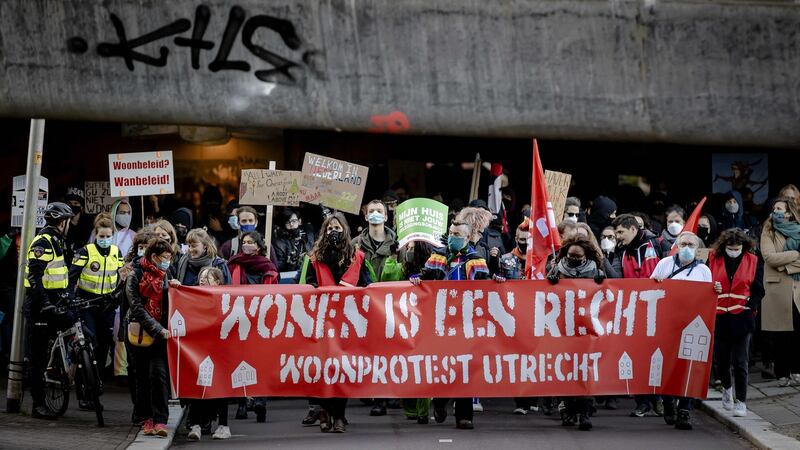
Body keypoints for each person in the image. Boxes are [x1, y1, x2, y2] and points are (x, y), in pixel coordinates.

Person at [410, 220, 498, 430]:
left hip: (467, 322)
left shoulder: (476, 259)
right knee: (445, 365)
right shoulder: (438, 255)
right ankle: (440, 402)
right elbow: (427, 275)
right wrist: (417, 278)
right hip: (441, 321)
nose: (452, 236)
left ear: (467, 238)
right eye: (450, 232)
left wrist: (497, 276)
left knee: (466, 367)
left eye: (457, 234)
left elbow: (485, 287)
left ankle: (464, 416)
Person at [298, 213, 372, 433]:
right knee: (323, 368)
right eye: (329, 228)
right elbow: (308, 285)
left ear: (345, 231)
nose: (333, 232)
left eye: (337, 228)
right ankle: (325, 411)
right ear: (324, 231)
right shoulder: (314, 258)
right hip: (322, 320)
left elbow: (368, 284)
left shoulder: (357, 257)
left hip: (347, 321)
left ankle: (339, 416)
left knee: (342, 368)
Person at [650, 231, 713, 430]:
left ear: (697, 248)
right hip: (667, 324)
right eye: (683, 243)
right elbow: (650, 290)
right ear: (677, 245)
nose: (687, 248)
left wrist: (716, 290)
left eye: (691, 245)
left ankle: (685, 410)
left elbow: (708, 297)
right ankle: (669, 402)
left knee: (690, 367)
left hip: (693, 325)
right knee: (669, 365)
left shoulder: (703, 270)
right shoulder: (664, 264)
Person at [611, 214, 670, 418]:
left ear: (633, 229)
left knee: (658, 356)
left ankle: (658, 398)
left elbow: (673, 270)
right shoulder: (620, 250)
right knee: (635, 357)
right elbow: (617, 278)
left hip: (659, 309)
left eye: (620, 232)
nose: (618, 236)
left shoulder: (660, 244)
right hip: (633, 310)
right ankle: (642, 402)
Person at [546, 236, 605, 430]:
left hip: (586, 326)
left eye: (578, 257)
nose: (574, 259)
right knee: (565, 369)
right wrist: (551, 280)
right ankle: (568, 411)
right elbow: (546, 294)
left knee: (585, 370)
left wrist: (601, 280)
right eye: (571, 256)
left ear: (586, 256)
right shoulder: (558, 268)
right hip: (563, 327)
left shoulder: (595, 269)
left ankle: (585, 413)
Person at [24, 202, 75, 420]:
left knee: (75, 324)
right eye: (68, 221)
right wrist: (45, 303)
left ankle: (60, 368)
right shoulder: (42, 242)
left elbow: (59, 274)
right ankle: (37, 404)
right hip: (39, 304)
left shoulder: (58, 240)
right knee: (37, 356)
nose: (69, 224)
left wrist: (66, 297)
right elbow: (34, 278)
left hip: (56, 300)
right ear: (61, 222)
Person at [709, 228, 763, 418]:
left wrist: (751, 305)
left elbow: (758, 289)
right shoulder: (713, 259)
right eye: (730, 248)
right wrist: (712, 287)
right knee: (722, 360)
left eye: (737, 248)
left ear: (743, 246)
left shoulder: (753, 260)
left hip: (742, 316)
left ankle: (741, 401)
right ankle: (726, 388)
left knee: (741, 361)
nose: (734, 251)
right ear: (724, 247)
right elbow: (705, 284)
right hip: (720, 315)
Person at [68, 216, 125, 395]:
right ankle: (83, 386)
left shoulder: (117, 252)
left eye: (108, 236)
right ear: (96, 235)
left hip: (106, 305)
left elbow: (122, 278)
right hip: (87, 304)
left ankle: (96, 382)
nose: (105, 240)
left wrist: (117, 294)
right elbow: (71, 277)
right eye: (101, 236)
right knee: (88, 344)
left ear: (112, 236)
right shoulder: (85, 251)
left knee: (105, 345)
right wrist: (71, 297)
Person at [226, 231, 278, 423]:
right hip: (239, 319)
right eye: (244, 242)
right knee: (240, 361)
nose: (246, 245)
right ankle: (241, 403)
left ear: (259, 246)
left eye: (250, 242)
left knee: (261, 361)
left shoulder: (269, 267)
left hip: (262, 321)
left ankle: (260, 401)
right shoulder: (233, 264)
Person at [126, 238, 176, 437]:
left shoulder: (166, 275)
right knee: (142, 378)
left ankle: (161, 420)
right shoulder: (135, 275)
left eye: (170, 258)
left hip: (160, 335)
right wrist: (157, 328)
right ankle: (146, 418)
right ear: (153, 256)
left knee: (159, 376)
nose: (167, 262)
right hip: (140, 334)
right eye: (164, 258)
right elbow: (136, 307)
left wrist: (175, 288)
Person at [760, 198, 800, 387]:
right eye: (774, 208)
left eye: (779, 208)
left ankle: (796, 370)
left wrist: (786, 265)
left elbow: (778, 260)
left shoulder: (799, 231)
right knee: (780, 334)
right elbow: (769, 257)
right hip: (777, 289)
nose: (775, 211)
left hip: (796, 288)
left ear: (789, 213)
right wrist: (795, 256)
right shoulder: (768, 230)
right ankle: (782, 373)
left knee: (797, 331)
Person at [193, 266, 233, 440]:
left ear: (218, 282)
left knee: (221, 388)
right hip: (200, 351)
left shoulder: (226, 299)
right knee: (198, 387)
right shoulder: (192, 297)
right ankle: (196, 424)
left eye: (207, 277)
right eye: (201, 276)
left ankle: (223, 426)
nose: (202, 279)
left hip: (221, 351)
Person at [353, 199, 398, 283]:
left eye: (379, 211)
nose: (375, 213)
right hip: (363, 295)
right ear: (366, 217)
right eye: (371, 211)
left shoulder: (396, 244)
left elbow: (405, 273)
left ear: (385, 217)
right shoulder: (355, 243)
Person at [272, 208, 313, 276]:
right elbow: (279, 266)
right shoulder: (279, 242)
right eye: (288, 222)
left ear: (299, 221)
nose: (291, 224)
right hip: (290, 275)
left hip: (309, 272)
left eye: (294, 221)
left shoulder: (308, 234)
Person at [64, 186, 95, 264]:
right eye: (70, 203)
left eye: (76, 203)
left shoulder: (88, 223)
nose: (72, 206)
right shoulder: (62, 223)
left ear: (81, 207)